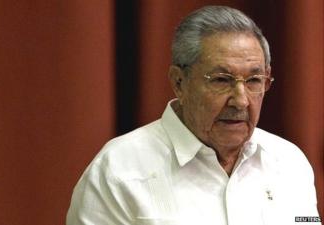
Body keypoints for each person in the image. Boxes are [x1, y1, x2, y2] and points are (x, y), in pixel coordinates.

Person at [66, 5, 321, 225]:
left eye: (254, 80)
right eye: (221, 80)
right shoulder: (119, 169)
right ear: (179, 82)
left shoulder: (289, 163)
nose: (241, 100)